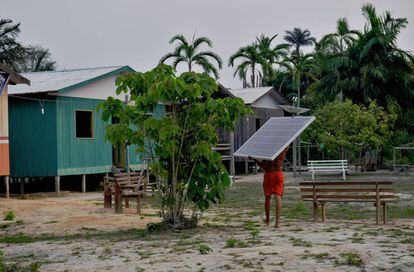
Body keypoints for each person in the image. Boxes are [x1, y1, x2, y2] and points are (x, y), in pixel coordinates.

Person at [250, 146, 289, 228]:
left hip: (269, 174)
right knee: (278, 197)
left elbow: (264, 166)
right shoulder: (282, 150)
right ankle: (277, 223)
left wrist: (254, 159)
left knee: (268, 197)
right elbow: (287, 147)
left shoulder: (267, 150)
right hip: (279, 174)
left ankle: (267, 220)